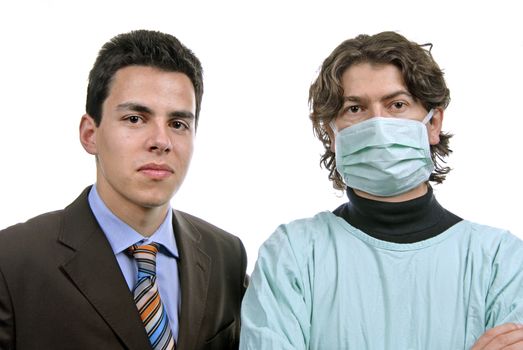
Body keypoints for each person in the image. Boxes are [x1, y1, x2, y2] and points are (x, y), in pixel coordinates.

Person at [240, 31, 523, 349]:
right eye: (355, 109)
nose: (378, 124)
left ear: (433, 123)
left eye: (397, 105)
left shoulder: (502, 261)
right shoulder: (293, 254)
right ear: (332, 133)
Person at [0, 30, 247, 350]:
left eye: (178, 124)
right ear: (90, 134)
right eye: (135, 118)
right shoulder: (13, 262)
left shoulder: (226, 256)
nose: (161, 141)